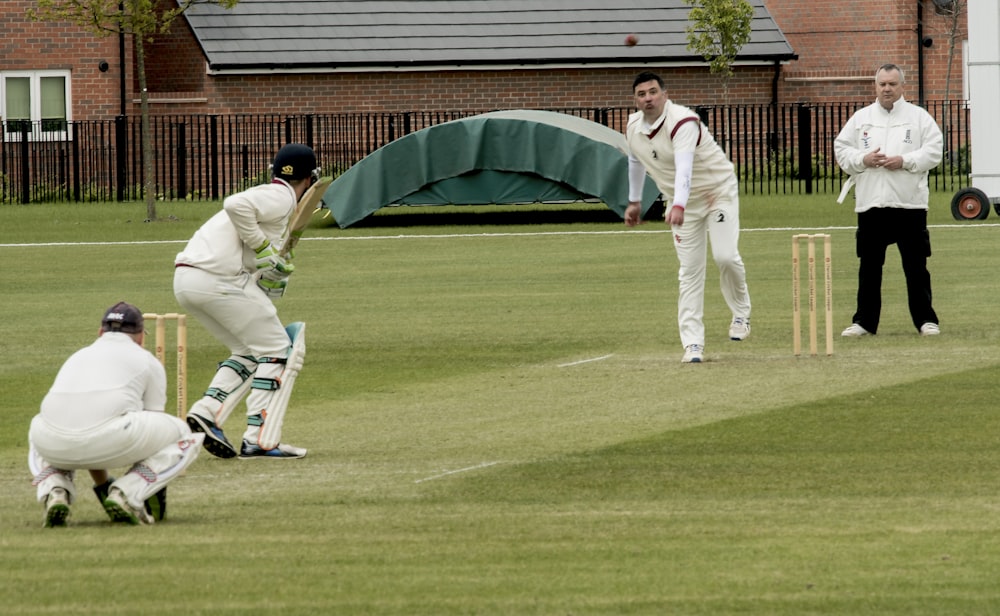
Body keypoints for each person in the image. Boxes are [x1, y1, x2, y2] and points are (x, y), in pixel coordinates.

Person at [174, 143, 318, 460]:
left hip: (189, 280)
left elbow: (257, 266)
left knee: (248, 351)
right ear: (310, 180)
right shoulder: (279, 196)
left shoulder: (273, 206)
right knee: (280, 349)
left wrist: (275, 268)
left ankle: (207, 413)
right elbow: (234, 203)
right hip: (217, 278)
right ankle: (260, 439)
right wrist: (265, 248)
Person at [28, 302, 204, 527]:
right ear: (140, 336)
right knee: (183, 433)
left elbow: (84, 425)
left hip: (50, 443)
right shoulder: (147, 360)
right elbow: (154, 429)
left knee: (42, 423)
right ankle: (126, 494)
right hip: (111, 437)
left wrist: (102, 485)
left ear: (101, 332)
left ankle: (55, 489)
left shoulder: (78, 356)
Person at [623, 71, 752, 363]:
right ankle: (693, 344)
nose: (648, 98)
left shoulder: (683, 121)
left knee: (725, 257)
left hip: (716, 192)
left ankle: (741, 313)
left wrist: (678, 204)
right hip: (682, 204)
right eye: (642, 94)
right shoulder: (632, 127)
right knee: (690, 271)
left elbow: (685, 167)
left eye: (653, 92)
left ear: (665, 95)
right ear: (635, 100)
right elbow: (635, 160)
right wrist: (634, 201)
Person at [834, 63, 943, 337]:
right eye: (882, 84)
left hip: (909, 204)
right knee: (869, 268)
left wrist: (904, 161)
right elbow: (841, 149)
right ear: (875, 86)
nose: (887, 89)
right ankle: (864, 323)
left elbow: (934, 151)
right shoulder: (861, 118)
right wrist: (863, 159)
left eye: (892, 84)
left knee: (916, 267)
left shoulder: (918, 117)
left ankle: (926, 320)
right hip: (871, 204)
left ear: (902, 86)